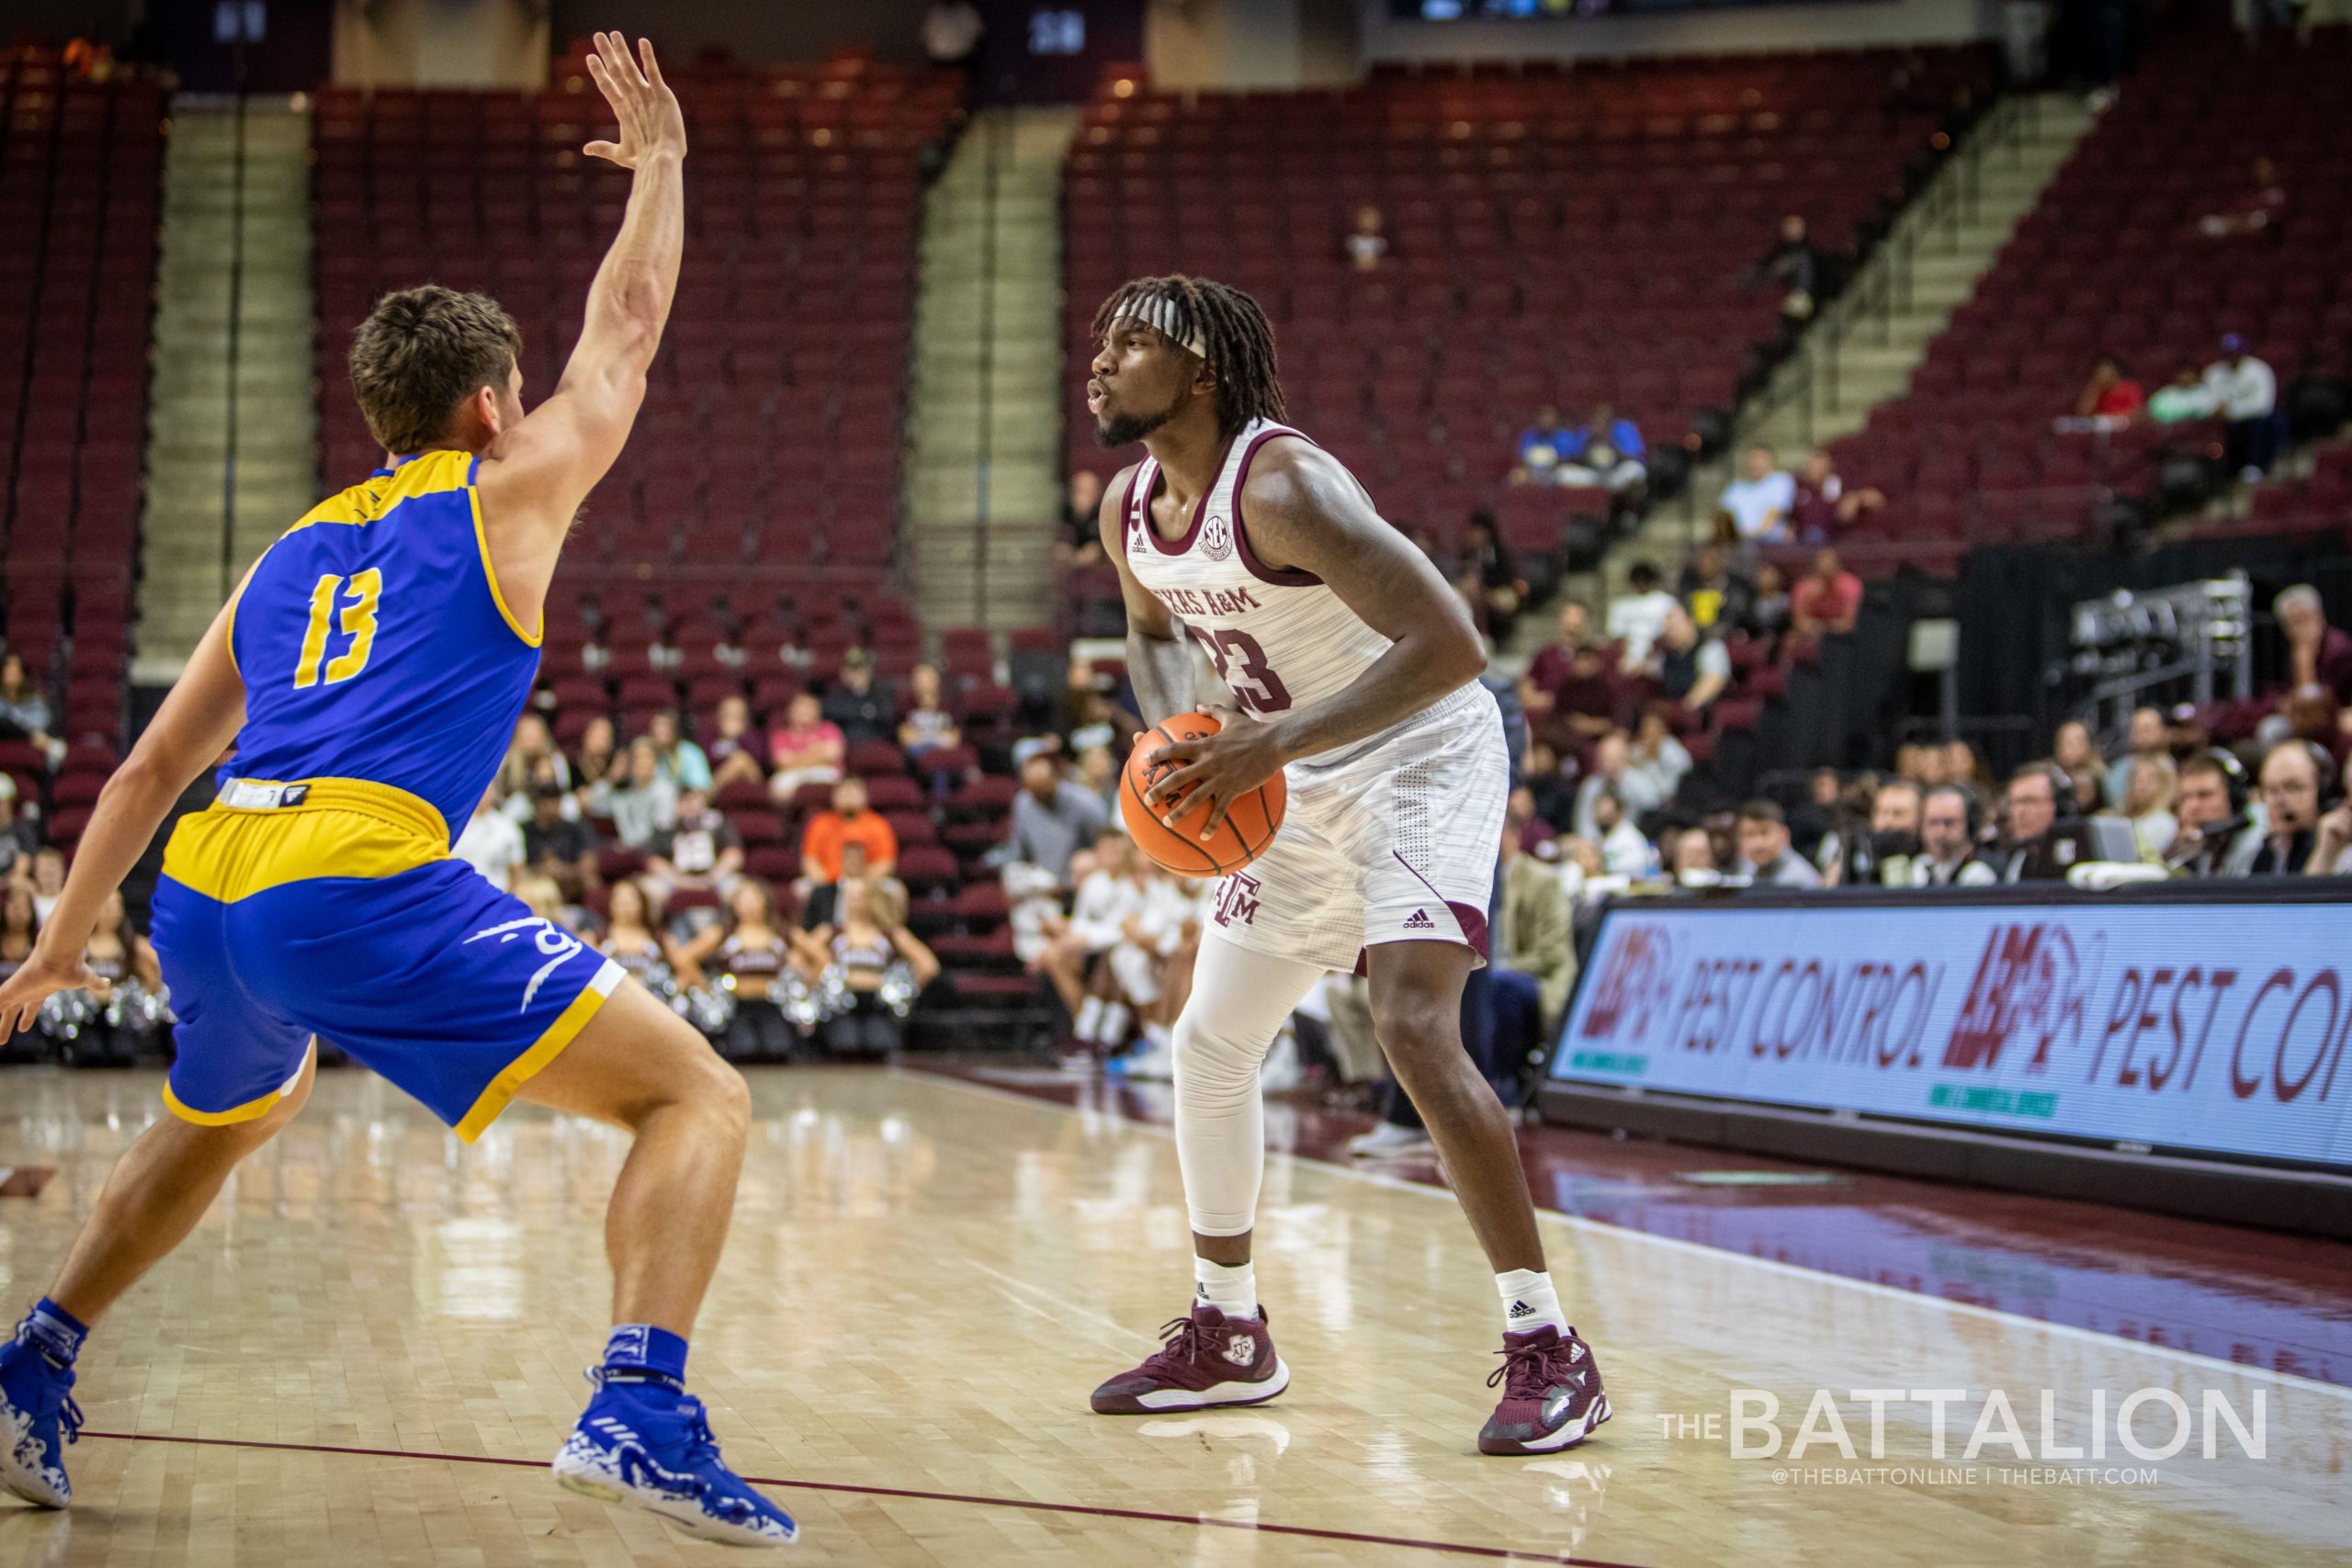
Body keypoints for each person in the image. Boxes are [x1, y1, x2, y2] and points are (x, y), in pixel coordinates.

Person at [0, 37, 796, 1546]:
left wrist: (58, 942)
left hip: (210, 879)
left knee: (233, 1110)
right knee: (698, 1093)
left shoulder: (290, 552)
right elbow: (622, 333)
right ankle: (641, 1408)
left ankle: (32, 1359)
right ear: (494, 403)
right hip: (347, 882)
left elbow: (152, 763)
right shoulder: (509, 488)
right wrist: (668, 164)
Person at [1080, 273, 1607, 1451]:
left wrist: (1270, 740)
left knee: (1412, 1024)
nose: (1100, 362)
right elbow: (1154, 628)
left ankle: (1547, 1345)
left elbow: (1453, 646)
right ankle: (1228, 1332)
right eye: (1098, 345)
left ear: (1202, 372)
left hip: (1421, 747)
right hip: (1291, 770)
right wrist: (1179, 739)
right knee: (1209, 1038)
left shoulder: (1285, 487)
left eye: (1130, 344)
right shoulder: (1127, 506)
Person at [810, 875, 936, 1055]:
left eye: (860, 895)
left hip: (877, 1006)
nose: (854, 901)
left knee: (878, 1047)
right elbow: (797, 960)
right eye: (849, 896)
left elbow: (929, 966)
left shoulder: (890, 932)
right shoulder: (832, 931)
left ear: (873, 898)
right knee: (844, 1046)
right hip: (841, 1006)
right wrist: (820, 974)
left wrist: (903, 991)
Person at [682, 878, 800, 1062]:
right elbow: (685, 957)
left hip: (772, 1006)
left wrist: (803, 978)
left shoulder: (780, 932)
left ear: (766, 902)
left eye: (755, 898)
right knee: (744, 1049)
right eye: (743, 899)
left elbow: (820, 956)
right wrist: (705, 987)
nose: (750, 904)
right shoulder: (725, 933)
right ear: (734, 905)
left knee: (779, 1049)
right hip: (738, 1007)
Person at [1006, 750, 1107, 887]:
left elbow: (1105, 843)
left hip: (1080, 878)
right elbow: (1019, 854)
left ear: (1055, 779)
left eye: (1044, 789)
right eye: (1036, 791)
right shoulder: (1023, 803)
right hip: (1043, 883)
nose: (1040, 796)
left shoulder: (1083, 801)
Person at [800, 775, 899, 900]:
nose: (848, 796)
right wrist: (826, 884)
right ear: (834, 796)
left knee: (895, 890)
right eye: (844, 792)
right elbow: (810, 859)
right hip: (827, 881)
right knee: (801, 889)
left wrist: (862, 883)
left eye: (853, 792)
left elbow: (885, 863)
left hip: (868, 882)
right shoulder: (820, 822)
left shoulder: (878, 824)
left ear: (864, 796)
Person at [598, 876, 700, 995]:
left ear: (642, 903)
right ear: (610, 904)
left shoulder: (660, 938)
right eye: (620, 902)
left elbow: (687, 971)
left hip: (651, 1001)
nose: (625, 907)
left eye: (630, 902)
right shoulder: (597, 937)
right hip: (613, 1001)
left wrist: (671, 989)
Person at [645, 784, 743, 903]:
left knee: (739, 890)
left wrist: (712, 878)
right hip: (675, 880)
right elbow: (654, 861)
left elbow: (734, 855)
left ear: (703, 800)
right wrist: (679, 881)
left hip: (715, 878)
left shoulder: (719, 822)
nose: (688, 804)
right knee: (649, 890)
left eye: (693, 798)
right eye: (683, 799)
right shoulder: (664, 827)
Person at [2169, 750, 2260, 877]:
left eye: (2204, 795)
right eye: (2185, 797)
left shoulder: (2256, 846)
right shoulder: (2199, 850)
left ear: (2234, 798)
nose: (2192, 806)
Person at [2204, 335, 2279, 480]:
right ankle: (2220, 474)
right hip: (2226, 422)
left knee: (2261, 423)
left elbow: (2264, 405)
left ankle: (2254, 466)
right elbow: (2211, 403)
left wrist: (2232, 411)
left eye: (2235, 352)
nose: (2232, 356)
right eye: (2228, 353)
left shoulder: (2259, 370)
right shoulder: (2214, 373)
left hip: (2254, 420)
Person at [2247, 741, 2321, 875]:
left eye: (2293, 787)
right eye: (2272, 790)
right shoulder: (2266, 853)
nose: (2279, 800)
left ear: (2321, 793)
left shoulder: (2337, 852)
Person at [520, 782, 598, 904]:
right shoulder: (523, 831)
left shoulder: (576, 828)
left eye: (557, 802)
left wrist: (562, 870)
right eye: (548, 803)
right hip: (534, 895)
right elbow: (516, 870)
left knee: (591, 882)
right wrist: (541, 871)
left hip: (572, 893)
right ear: (537, 805)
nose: (554, 808)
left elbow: (589, 866)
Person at [2277, 585, 2352, 709]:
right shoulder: (2298, 649)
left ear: (2320, 617)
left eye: (2303, 619)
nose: (2298, 629)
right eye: (2290, 624)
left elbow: (2314, 706)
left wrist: (2305, 663)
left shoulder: (2338, 649)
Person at [765, 691, 845, 803]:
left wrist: (796, 758)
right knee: (779, 788)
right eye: (800, 707)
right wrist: (816, 752)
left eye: (809, 707)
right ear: (790, 711)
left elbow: (832, 755)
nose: (805, 711)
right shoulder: (780, 736)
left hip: (824, 772)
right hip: (792, 774)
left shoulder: (829, 729)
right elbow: (782, 763)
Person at [1789, 449, 1884, 540]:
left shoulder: (1839, 484)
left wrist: (1857, 498)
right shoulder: (1800, 488)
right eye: (1811, 465)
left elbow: (1877, 498)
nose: (1814, 469)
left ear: (1829, 466)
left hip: (1833, 538)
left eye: (1819, 465)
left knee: (1816, 535)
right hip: (1802, 539)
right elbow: (1792, 517)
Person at [1912, 784, 1997, 886]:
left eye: (1949, 822)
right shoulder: (1918, 869)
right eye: (1933, 822)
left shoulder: (1979, 874)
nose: (1940, 832)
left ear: (1970, 825)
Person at [1651, 606, 1730, 715]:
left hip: (1704, 717)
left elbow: (1713, 683)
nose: (1670, 632)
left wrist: (1679, 712)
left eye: (1674, 627)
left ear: (1691, 622)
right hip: (1673, 716)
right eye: (1667, 628)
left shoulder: (1710, 648)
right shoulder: (1665, 655)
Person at [603, 737, 678, 849]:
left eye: (646, 757)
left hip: (654, 851)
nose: (641, 763)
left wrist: (628, 846)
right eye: (637, 758)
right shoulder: (621, 795)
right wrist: (610, 779)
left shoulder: (665, 790)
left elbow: (662, 831)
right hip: (628, 855)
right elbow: (589, 802)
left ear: (655, 761)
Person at [1554, 404, 1646, 494]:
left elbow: (1634, 457)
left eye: (1605, 419)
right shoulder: (1586, 432)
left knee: (1636, 469)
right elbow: (1573, 459)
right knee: (1562, 473)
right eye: (1598, 419)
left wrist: (1609, 441)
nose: (1601, 421)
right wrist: (1590, 441)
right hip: (1592, 475)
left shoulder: (1624, 429)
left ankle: (1616, 499)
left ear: (1612, 419)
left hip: (1614, 474)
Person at [1605, 561, 1679, 670]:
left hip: (1658, 655)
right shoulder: (1620, 606)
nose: (1641, 582)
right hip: (1628, 657)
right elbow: (1616, 636)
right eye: (1637, 579)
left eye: (1645, 579)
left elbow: (1672, 633)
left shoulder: (1666, 602)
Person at [1718, 446, 1795, 545]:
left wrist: (1744, 534)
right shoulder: (1735, 488)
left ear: (1771, 462)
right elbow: (1724, 520)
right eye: (1753, 459)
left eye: (1760, 459)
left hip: (1769, 545)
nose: (1755, 463)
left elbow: (1769, 523)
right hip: (1737, 546)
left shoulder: (1781, 481)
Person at [1734, 800, 1820, 887]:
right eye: (1750, 834)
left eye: (1764, 833)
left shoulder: (1801, 881)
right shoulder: (1746, 868)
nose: (1758, 843)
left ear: (1784, 835)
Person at [453, 786, 527, 888]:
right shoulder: (454, 827)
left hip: (497, 895)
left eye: (488, 790)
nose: (483, 794)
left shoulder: (508, 827)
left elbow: (517, 869)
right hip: (460, 895)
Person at [2196, 155, 2286, 239]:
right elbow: (2236, 210)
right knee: (2207, 223)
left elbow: (2270, 219)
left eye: (2266, 169)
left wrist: (2245, 220)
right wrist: (2239, 218)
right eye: (2259, 169)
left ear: (2273, 170)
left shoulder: (2278, 193)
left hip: (2263, 231)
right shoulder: (2250, 190)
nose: (2262, 173)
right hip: (2238, 224)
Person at [820, 649, 895, 747]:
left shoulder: (881, 692)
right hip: (846, 743)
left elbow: (887, 716)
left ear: (869, 670)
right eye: (852, 670)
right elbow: (831, 713)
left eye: (861, 669)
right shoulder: (836, 693)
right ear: (844, 672)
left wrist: (855, 705)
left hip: (876, 742)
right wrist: (866, 710)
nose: (857, 674)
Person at [2103, 705, 2171, 809]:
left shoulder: (2176, 765)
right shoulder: (2118, 773)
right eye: (2137, 730)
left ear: (2164, 731)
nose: (2143, 735)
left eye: (2147, 729)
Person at [1678, 545, 1752, 635]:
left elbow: (1738, 618)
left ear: (1721, 562)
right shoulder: (1688, 586)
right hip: (1695, 637)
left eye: (1710, 560)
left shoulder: (1737, 588)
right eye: (1702, 559)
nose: (1705, 564)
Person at [2120, 752, 2180, 862]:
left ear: (2165, 784)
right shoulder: (2124, 819)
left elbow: (2137, 856)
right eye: (2138, 779)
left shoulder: (2164, 821)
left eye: (2151, 780)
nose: (2143, 785)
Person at [1790, 548, 1862, 637]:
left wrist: (1829, 626)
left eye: (1830, 564)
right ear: (1815, 567)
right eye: (1823, 564)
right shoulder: (1804, 587)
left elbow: (1850, 622)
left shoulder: (1851, 584)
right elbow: (1799, 622)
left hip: (1843, 636)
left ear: (1837, 565)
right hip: (1812, 635)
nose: (1826, 567)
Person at [1758, 214, 1819, 320]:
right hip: (1785, 299)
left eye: (1798, 227)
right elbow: (1765, 269)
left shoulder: (1811, 252)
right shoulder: (1777, 250)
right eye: (1790, 227)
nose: (1794, 231)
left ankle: (1800, 296)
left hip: (1809, 299)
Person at [898, 663, 961, 761]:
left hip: (943, 753)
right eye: (917, 680)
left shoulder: (949, 705)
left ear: (936, 681)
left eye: (925, 679)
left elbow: (954, 739)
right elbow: (906, 738)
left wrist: (927, 739)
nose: (921, 683)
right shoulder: (906, 706)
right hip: (917, 754)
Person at [704, 694, 767, 791]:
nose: (733, 717)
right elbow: (706, 763)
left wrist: (736, 738)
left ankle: (707, 795)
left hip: (750, 777)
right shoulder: (709, 738)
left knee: (741, 759)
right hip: (719, 779)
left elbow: (759, 758)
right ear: (719, 715)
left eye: (738, 713)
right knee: (738, 760)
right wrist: (726, 739)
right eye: (729, 713)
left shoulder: (754, 736)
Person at [643, 708, 709, 793]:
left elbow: (701, 788)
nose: (660, 730)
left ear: (675, 729)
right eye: (657, 725)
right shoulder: (646, 755)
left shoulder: (689, 753)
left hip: (685, 802)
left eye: (665, 725)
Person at [0, 652, 55, 748]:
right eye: (7, 672)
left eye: (15, 672)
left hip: (26, 743)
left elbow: (42, 722)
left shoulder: (33, 700)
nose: (11, 676)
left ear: (23, 675)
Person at [1510, 404, 1572, 486]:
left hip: (1556, 472)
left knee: (1566, 475)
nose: (1546, 420)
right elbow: (1522, 458)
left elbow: (1569, 459)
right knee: (1516, 476)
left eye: (1550, 416)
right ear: (1538, 418)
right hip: (1532, 471)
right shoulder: (1528, 435)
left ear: (1556, 419)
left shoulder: (1564, 436)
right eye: (1543, 416)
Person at [2074, 355, 2143, 421]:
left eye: (2106, 371)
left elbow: (2137, 413)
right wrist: (2096, 387)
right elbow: (2083, 413)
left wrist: (2114, 419)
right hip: (2103, 428)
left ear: (2114, 372)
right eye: (2100, 372)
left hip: (2124, 428)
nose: (2104, 375)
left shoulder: (2130, 388)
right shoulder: (2098, 390)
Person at [2145, 365, 2219, 424]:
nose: (2185, 377)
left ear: (2194, 374)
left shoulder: (2204, 391)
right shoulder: (2167, 392)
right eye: (2182, 374)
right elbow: (2153, 411)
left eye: (2188, 374)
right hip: (2170, 434)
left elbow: (2212, 412)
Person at [1343, 204, 1387, 273]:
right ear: (1358, 221)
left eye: (1371, 219)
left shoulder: (1380, 242)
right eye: (1365, 219)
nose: (1367, 223)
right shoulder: (1352, 241)